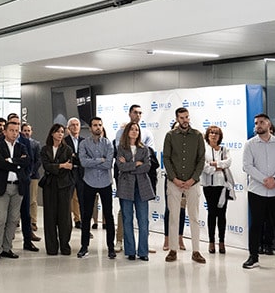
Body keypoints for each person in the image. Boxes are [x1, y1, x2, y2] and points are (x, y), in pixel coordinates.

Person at [241, 113, 275, 270]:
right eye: (256, 123)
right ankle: (253, 257)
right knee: (256, 224)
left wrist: (274, 179)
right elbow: (247, 166)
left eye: (261, 122)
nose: (258, 125)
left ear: (269, 124)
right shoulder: (250, 144)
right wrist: (264, 180)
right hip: (257, 191)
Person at [162, 107, 205, 263]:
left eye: (186, 117)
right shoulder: (170, 136)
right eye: (181, 117)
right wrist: (174, 179)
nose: (185, 120)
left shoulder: (198, 135)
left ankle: (196, 251)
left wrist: (193, 179)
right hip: (174, 183)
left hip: (193, 183)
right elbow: (166, 158)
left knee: (194, 217)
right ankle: (173, 250)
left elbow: (201, 159)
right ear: (177, 118)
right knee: (174, 216)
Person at [0, 119, 30, 262]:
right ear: (5, 131)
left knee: (13, 219)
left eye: (16, 131)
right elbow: (0, 163)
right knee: (1, 219)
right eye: (11, 130)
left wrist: (11, 161)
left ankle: (7, 248)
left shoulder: (22, 146)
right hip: (3, 186)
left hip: (18, 186)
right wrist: (17, 163)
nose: (14, 133)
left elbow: (27, 162)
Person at [77, 116, 115, 259]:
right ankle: (84, 246)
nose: (97, 127)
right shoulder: (84, 144)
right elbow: (83, 162)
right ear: (90, 128)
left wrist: (94, 161)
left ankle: (110, 247)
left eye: (100, 125)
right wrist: (100, 160)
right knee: (86, 215)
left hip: (105, 183)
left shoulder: (109, 144)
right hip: (89, 182)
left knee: (109, 216)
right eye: (95, 125)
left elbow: (108, 164)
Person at [117, 122, 154, 261]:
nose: (134, 131)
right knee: (127, 219)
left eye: (136, 130)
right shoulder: (121, 148)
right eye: (132, 129)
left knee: (143, 221)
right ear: (127, 132)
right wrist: (135, 164)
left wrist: (129, 166)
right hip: (126, 186)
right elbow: (120, 166)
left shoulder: (144, 149)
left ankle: (143, 252)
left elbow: (147, 167)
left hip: (142, 187)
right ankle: (130, 251)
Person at [40, 123, 75, 256]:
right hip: (49, 186)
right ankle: (52, 248)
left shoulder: (67, 149)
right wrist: (61, 165)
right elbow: (46, 166)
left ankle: (65, 246)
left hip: (64, 186)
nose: (60, 134)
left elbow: (69, 167)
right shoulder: (45, 149)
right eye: (58, 131)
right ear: (52, 133)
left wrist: (57, 167)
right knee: (50, 217)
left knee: (65, 217)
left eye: (62, 132)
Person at [201, 125, 232, 255]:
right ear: (208, 135)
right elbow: (203, 166)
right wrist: (217, 167)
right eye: (211, 133)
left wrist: (215, 164)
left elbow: (228, 162)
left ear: (220, 136)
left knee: (222, 214)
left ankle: (222, 242)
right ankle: (211, 242)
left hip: (222, 186)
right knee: (211, 213)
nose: (213, 135)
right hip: (208, 186)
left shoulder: (224, 149)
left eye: (216, 133)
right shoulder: (203, 150)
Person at [18, 120, 41, 251]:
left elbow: (35, 160)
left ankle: (32, 227)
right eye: (24, 130)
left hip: (31, 177)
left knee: (31, 202)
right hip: (17, 177)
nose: (26, 132)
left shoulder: (34, 143)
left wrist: (30, 172)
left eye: (28, 130)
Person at [64, 118, 84, 229]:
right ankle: (67, 224)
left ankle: (81, 221)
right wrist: (77, 157)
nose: (75, 127)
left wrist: (75, 157)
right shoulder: (64, 141)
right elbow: (67, 157)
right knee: (68, 199)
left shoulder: (84, 141)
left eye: (77, 124)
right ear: (68, 127)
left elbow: (84, 158)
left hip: (81, 173)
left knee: (82, 199)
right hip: (69, 173)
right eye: (72, 125)